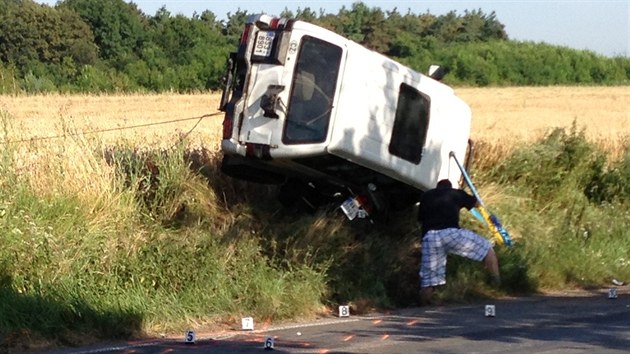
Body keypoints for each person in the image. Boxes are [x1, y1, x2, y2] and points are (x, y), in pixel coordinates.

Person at [417, 179, 500, 305]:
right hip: (451, 233)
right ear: (450, 187)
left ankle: (423, 306)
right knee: (488, 250)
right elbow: (477, 204)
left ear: (436, 187)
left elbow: (420, 219)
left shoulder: (426, 196)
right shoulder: (456, 193)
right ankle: (497, 286)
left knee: (428, 280)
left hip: (430, 237)